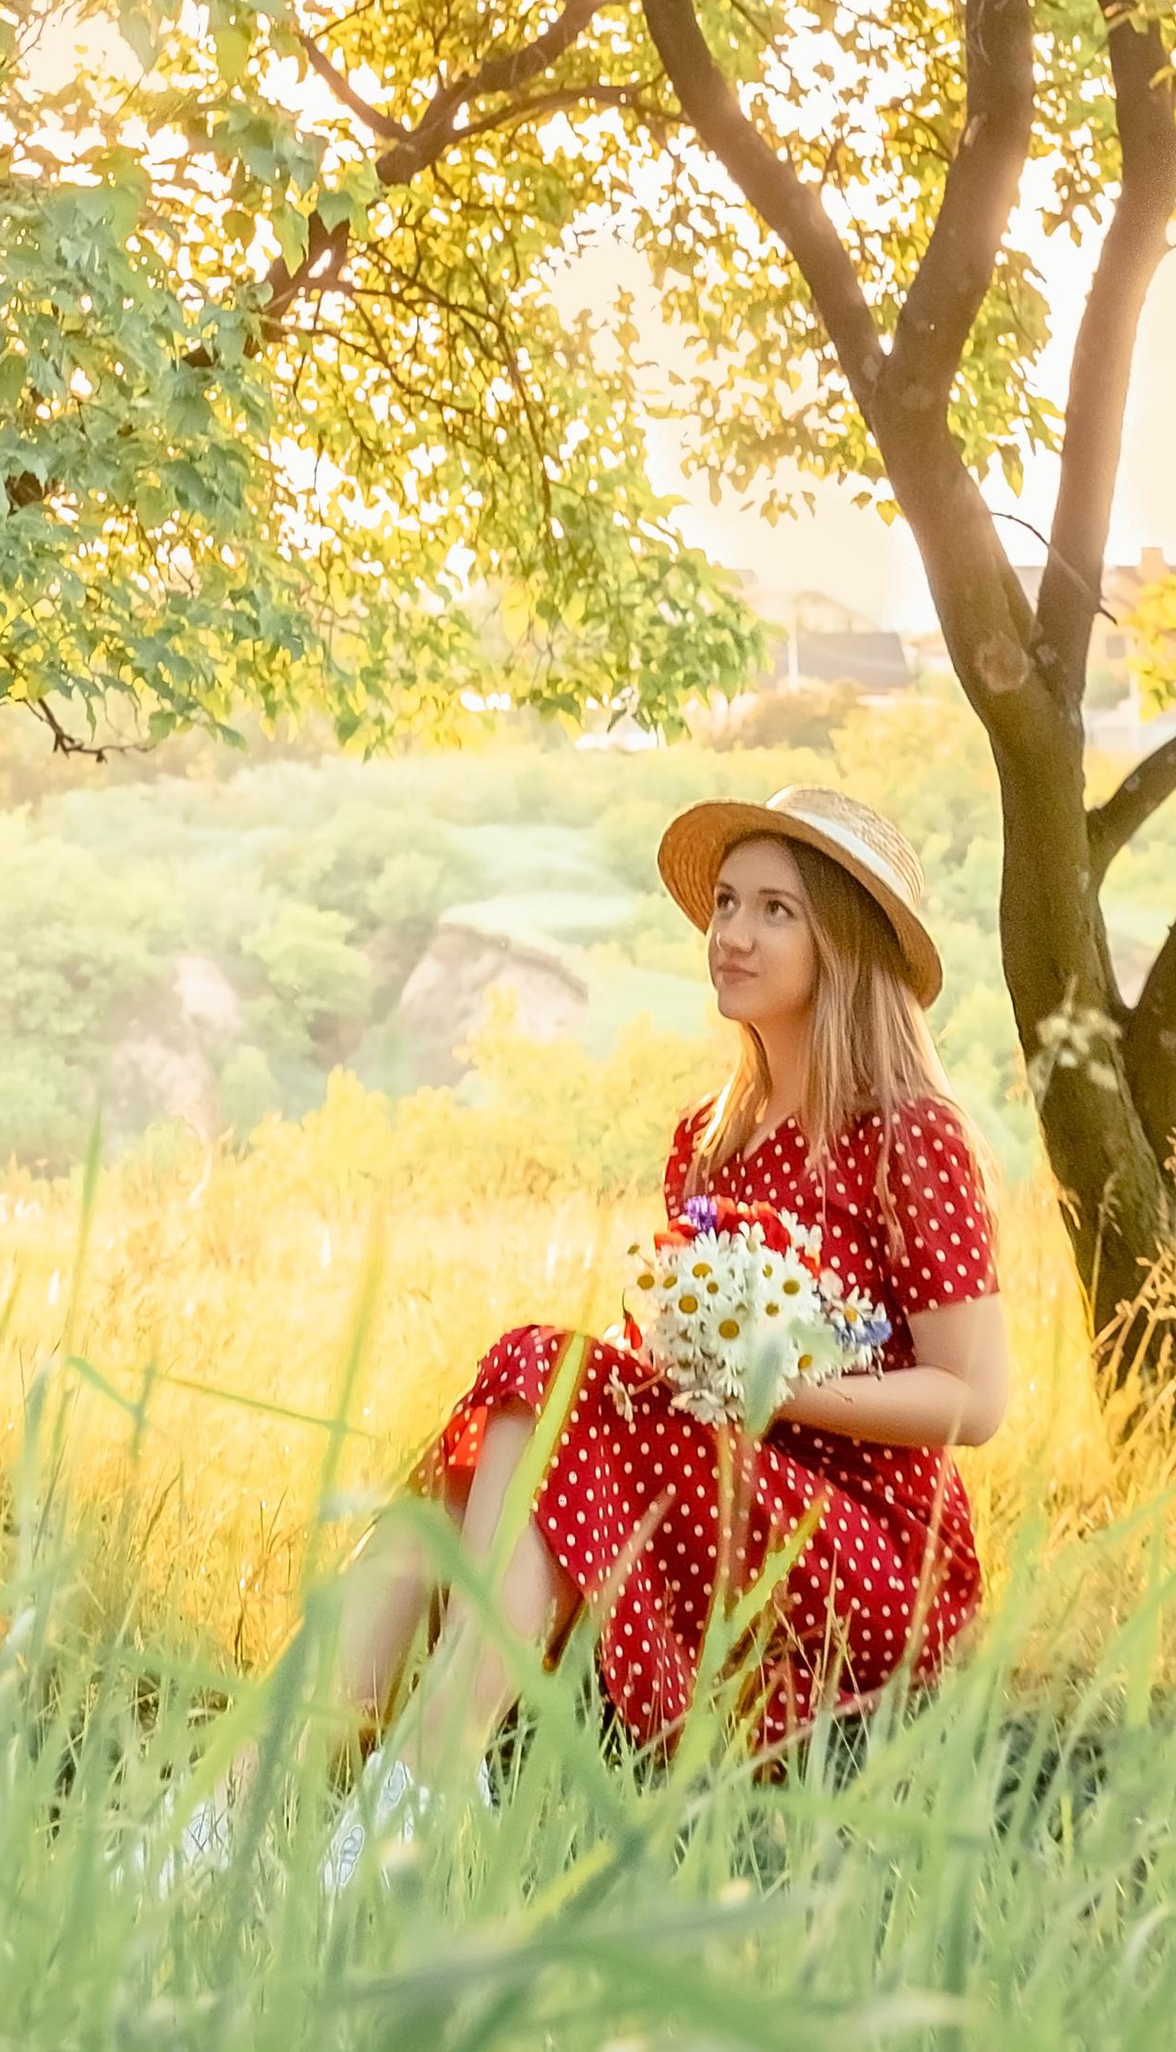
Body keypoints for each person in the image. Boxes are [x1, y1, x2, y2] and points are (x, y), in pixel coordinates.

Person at [308, 784, 1009, 1872]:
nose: (732, 933)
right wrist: (691, 1365)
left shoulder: (907, 1137)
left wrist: (772, 1385)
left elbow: (975, 1403)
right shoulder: (710, 1140)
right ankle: (260, 1803)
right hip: (722, 1483)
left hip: (866, 1547)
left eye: (776, 910)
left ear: (841, 941)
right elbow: (680, 1367)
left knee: (535, 1373)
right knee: (454, 1484)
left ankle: (421, 1783)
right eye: (728, 903)